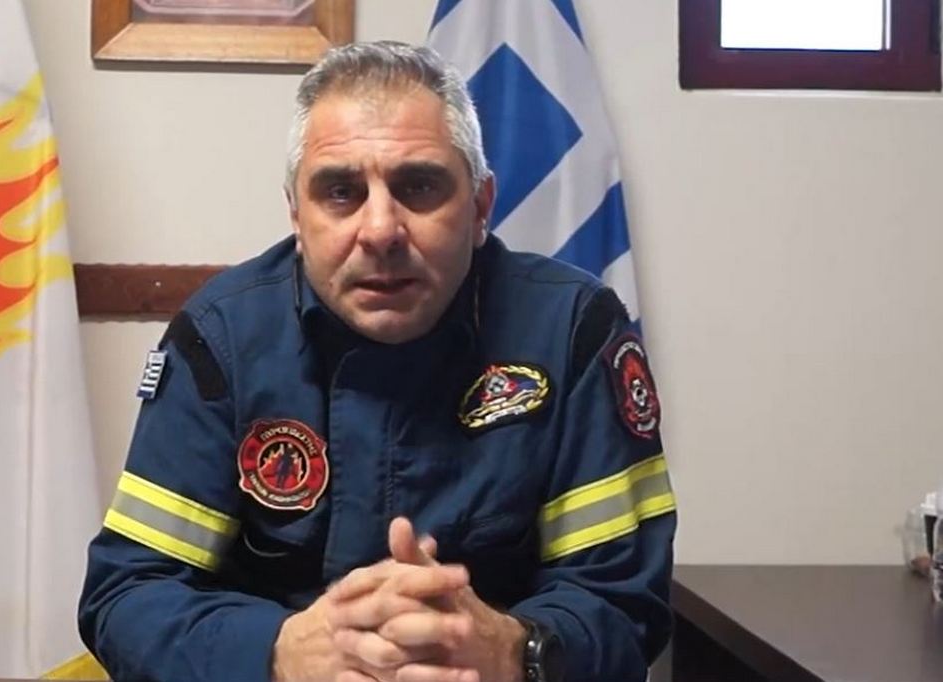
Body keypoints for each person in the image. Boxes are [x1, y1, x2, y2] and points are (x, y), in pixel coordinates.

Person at [78, 40, 676, 682]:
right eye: (341, 191)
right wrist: (277, 652)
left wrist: (516, 650)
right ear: (296, 214)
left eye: (419, 187)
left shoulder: (571, 332)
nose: (381, 230)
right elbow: (128, 595)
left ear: (480, 207)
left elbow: (623, 601)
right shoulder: (222, 338)